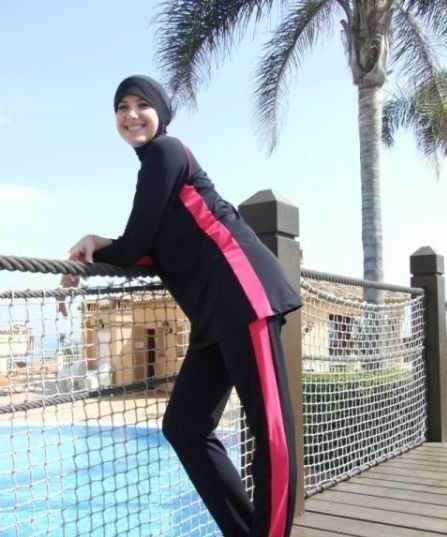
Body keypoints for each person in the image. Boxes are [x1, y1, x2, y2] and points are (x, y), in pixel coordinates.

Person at [60, 75, 302, 537]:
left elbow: (134, 243)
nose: (131, 114)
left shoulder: (166, 152)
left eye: (142, 104)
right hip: (213, 314)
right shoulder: (158, 173)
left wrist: (98, 243)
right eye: (122, 106)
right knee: (185, 426)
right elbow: (147, 249)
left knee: (270, 430)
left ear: (162, 112)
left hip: (244, 293)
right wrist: (91, 252)